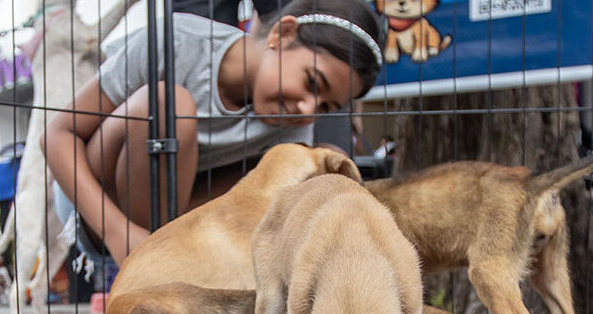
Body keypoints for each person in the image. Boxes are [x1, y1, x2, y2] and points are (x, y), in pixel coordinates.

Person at [41, 0, 383, 270]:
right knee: (167, 104)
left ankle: (174, 268)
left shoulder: (293, 125)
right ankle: (152, 261)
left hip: (175, 212)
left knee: (307, 166)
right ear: (284, 34)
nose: (308, 109)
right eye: (311, 82)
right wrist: (117, 232)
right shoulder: (179, 42)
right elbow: (57, 133)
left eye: (325, 107)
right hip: (94, 196)